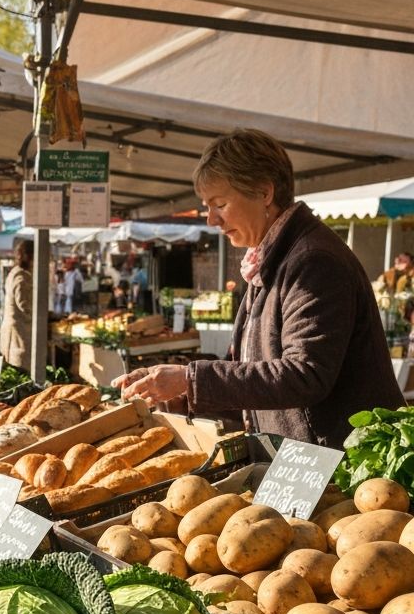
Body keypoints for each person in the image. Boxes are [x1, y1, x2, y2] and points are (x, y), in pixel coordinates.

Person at [114, 128, 403, 448]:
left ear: (265, 193)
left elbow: (304, 375)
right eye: (207, 206)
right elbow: (253, 371)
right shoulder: (270, 258)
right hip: (303, 457)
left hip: (340, 465)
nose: (212, 219)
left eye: (220, 204)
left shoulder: (313, 261)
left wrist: (190, 379)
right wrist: (183, 390)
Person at [0, 239, 33, 371]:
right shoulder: (22, 276)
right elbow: (24, 304)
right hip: (19, 333)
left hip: (13, 332)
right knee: (21, 370)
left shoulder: (14, 272)